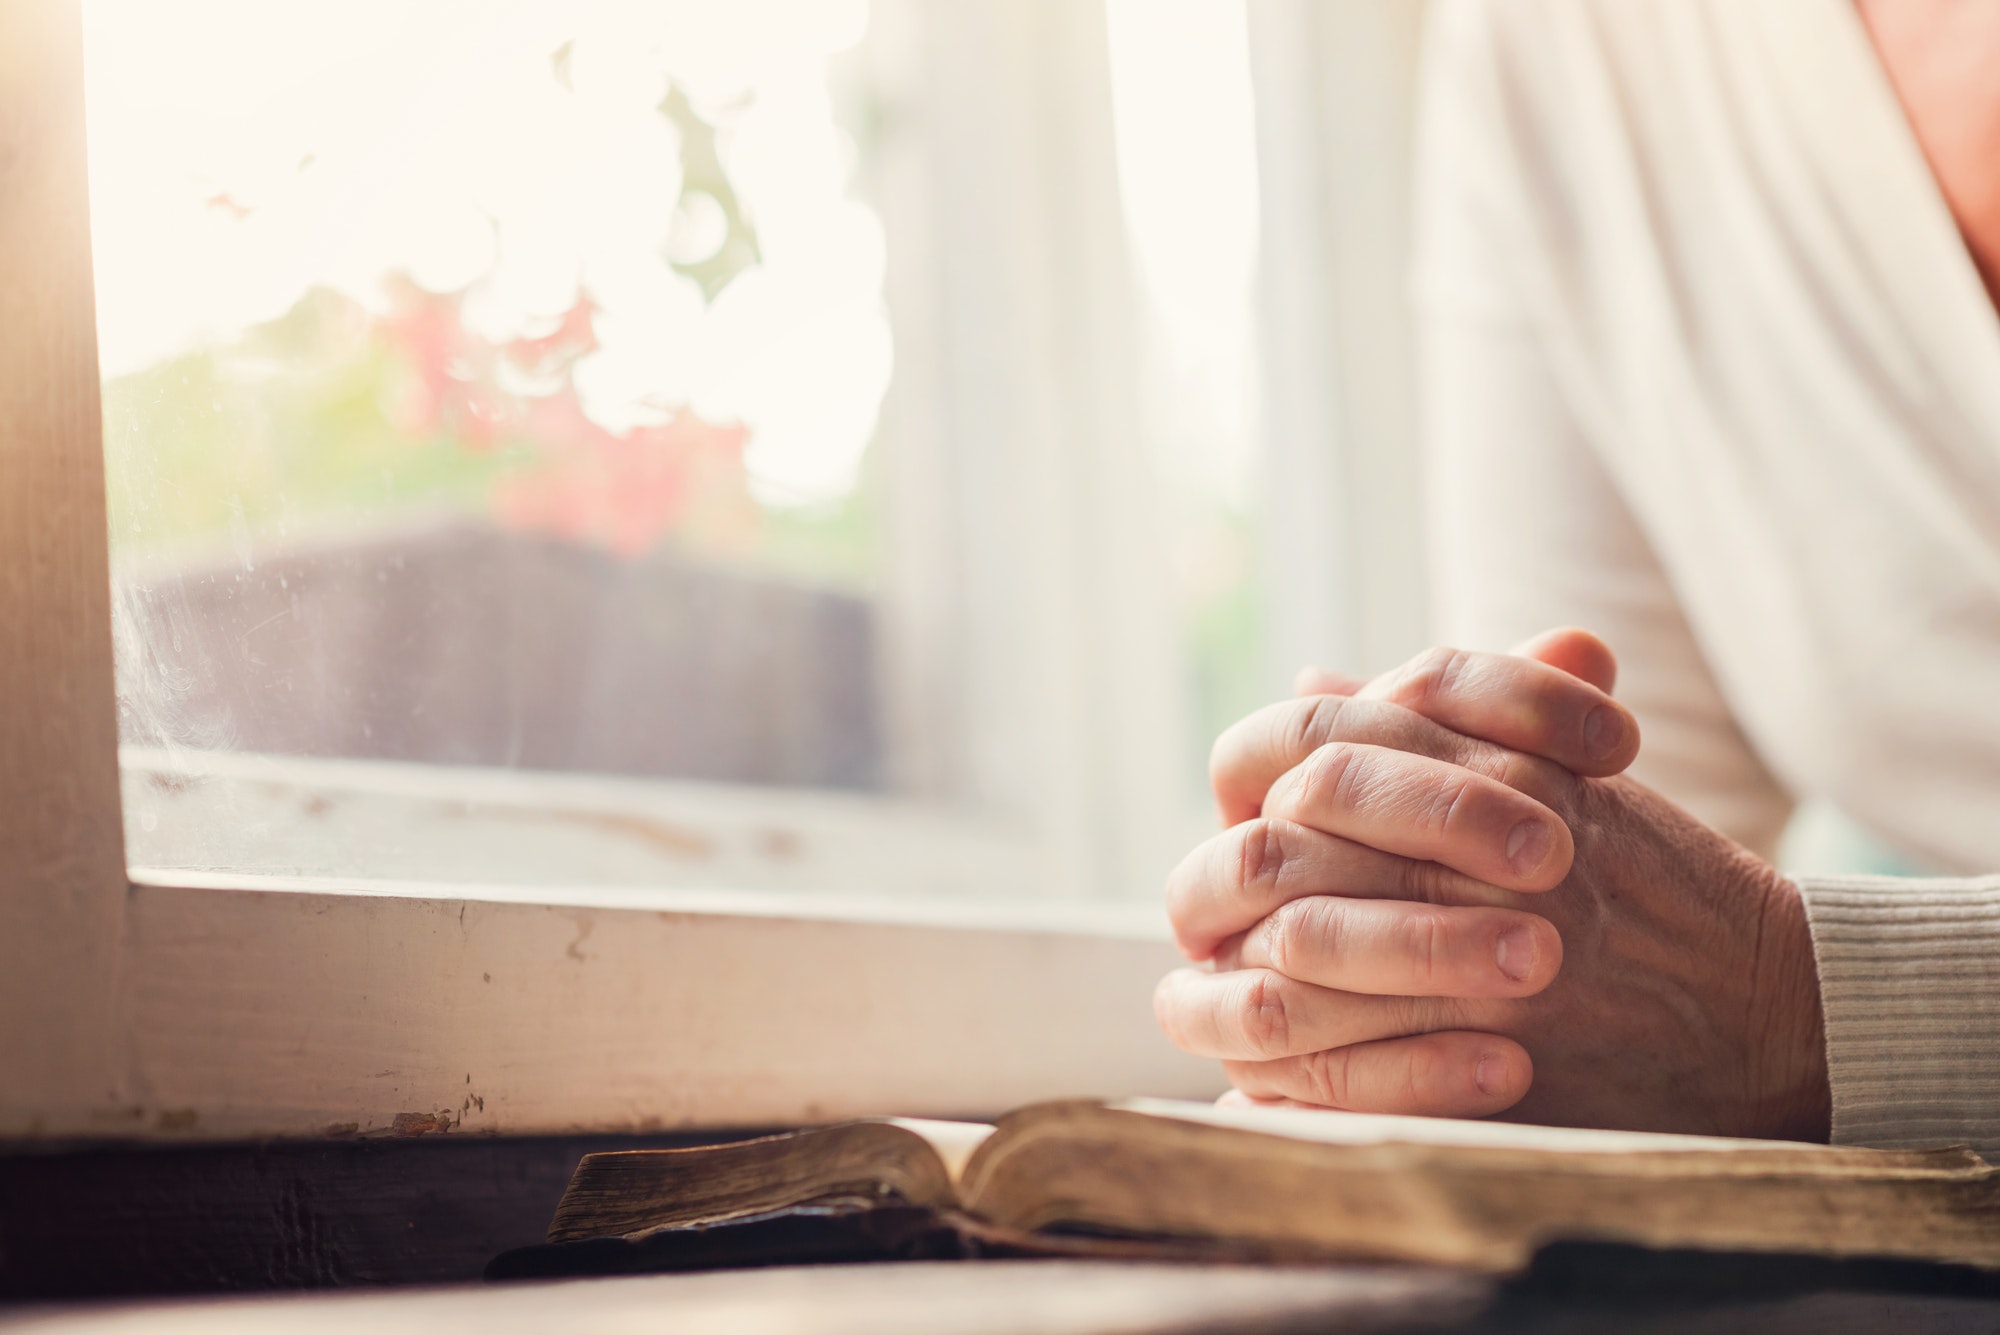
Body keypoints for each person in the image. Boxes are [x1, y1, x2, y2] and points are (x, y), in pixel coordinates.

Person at [1154, 0, 2000, 1152]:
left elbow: (1715, 996)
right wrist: (1411, 954)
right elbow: (1621, 913)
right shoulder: (1553, 45)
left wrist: (1800, 1010)